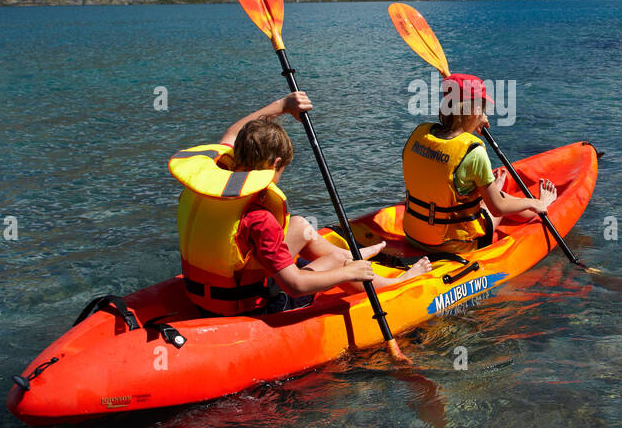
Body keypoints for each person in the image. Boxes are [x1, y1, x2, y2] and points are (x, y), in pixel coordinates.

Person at [171, 92, 430, 316]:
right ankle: (381, 277)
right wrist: (349, 273)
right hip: (253, 306)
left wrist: (283, 105)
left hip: (207, 293)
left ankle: (348, 255)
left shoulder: (211, 178)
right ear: (275, 165)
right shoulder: (260, 218)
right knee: (339, 265)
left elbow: (234, 130)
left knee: (299, 225)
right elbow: (294, 286)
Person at [401, 74, 556, 256]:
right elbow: (497, 209)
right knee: (498, 202)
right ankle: (538, 204)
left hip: (413, 234)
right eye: (483, 109)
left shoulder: (420, 133)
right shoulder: (473, 152)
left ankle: (491, 189)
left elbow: (442, 170)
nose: (485, 114)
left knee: (472, 191)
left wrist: (470, 123)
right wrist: (534, 202)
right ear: (474, 112)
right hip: (454, 245)